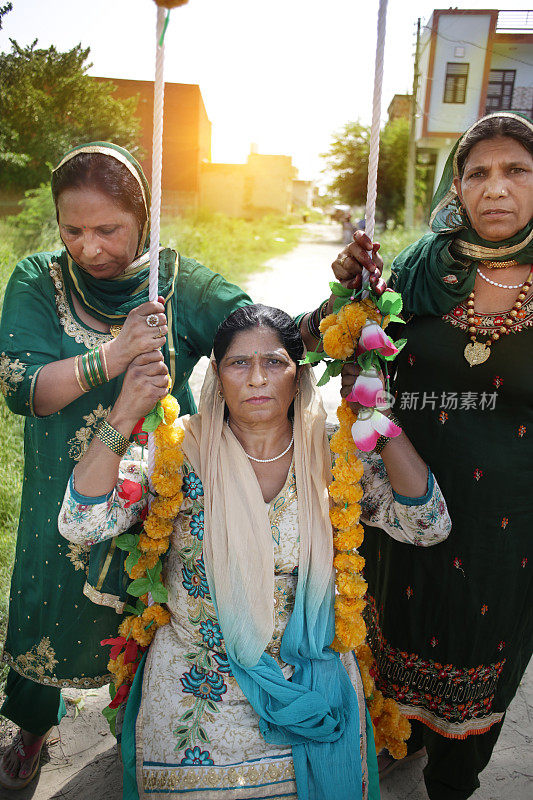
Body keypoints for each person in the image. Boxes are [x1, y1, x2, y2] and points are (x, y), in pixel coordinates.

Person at [0, 142, 342, 790]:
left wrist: (338, 306)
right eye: (73, 229)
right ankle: (33, 730)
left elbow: (261, 332)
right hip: (65, 481)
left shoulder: (176, 283)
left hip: (154, 484)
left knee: (150, 615)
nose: (89, 246)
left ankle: (135, 729)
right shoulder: (36, 280)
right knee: (49, 614)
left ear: (144, 221)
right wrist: (116, 355)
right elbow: (20, 385)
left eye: (108, 230)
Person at [57, 304, 451, 799]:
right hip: (198, 673)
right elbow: (81, 521)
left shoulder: (333, 455)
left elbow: (429, 524)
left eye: (275, 362)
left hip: (309, 672)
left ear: (298, 373)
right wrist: (125, 412)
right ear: (218, 377)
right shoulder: (178, 453)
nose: (258, 378)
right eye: (238, 363)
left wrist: (379, 416)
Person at [333, 112, 533, 799]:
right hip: (404, 500)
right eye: (477, 173)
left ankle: (454, 782)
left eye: (515, 170)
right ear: (456, 187)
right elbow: (356, 358)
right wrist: (351, 290)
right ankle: (402, 736)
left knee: (477, 654)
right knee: (399, 630)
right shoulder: (422, 266)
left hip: (504, 527)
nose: (495, 188)